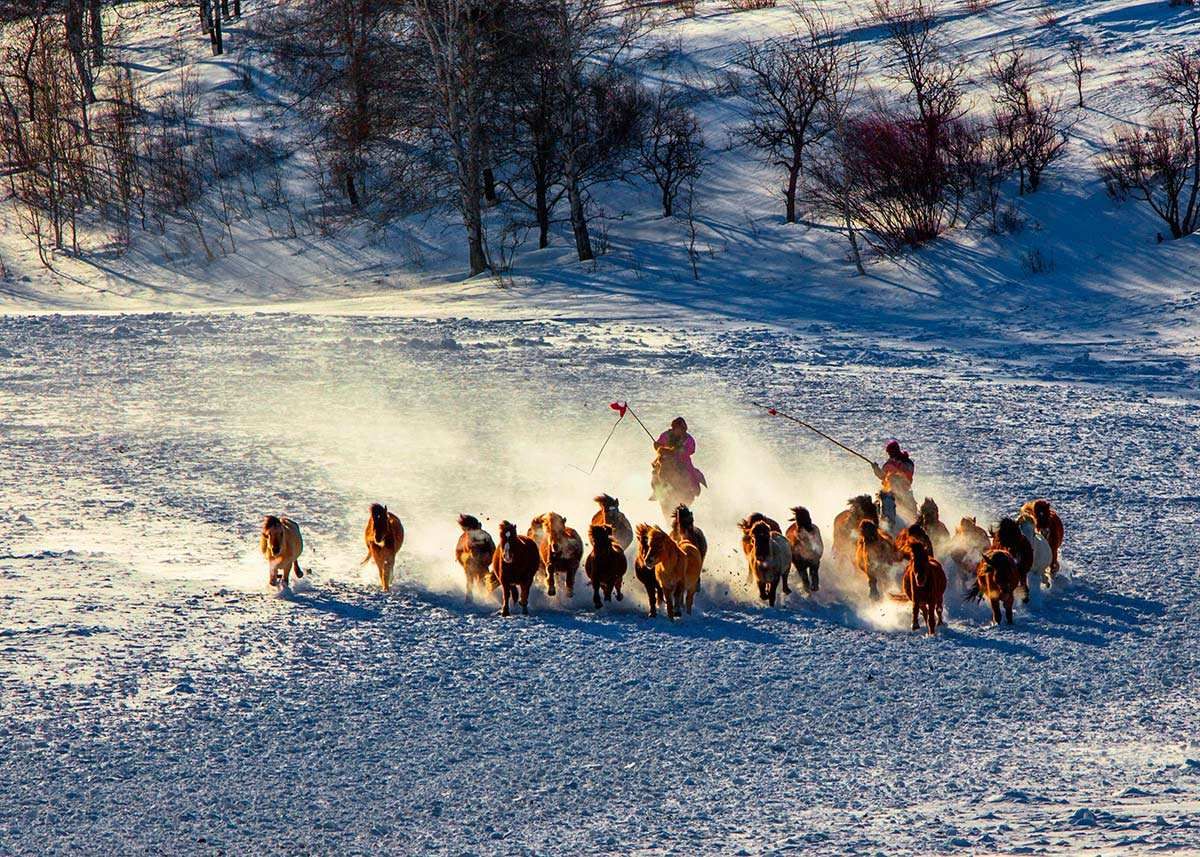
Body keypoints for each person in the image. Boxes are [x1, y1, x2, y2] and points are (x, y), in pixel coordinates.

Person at [652, 417, 707, 499]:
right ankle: (657, 492)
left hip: (682, 461)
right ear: (674, 428)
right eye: (678, 429)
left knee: (691, 473)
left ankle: (693, 490)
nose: (680, 431)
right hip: (665, 458)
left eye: (682, 429)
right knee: (655, 472)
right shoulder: (666, 435)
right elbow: (658, 444)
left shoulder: (688, 439)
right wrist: (658, 446)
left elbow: (691, 450)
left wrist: (678, 452)